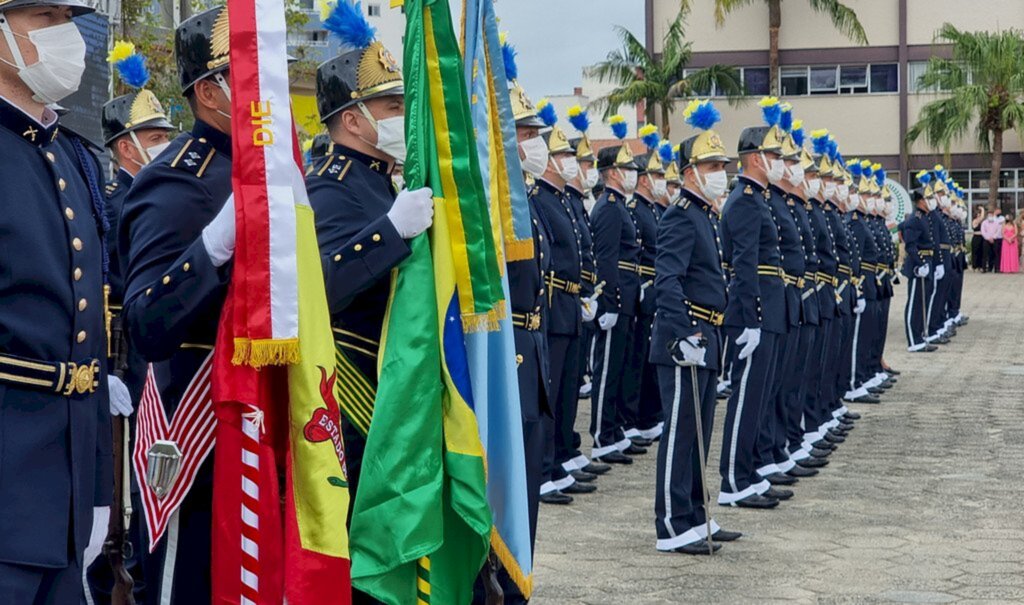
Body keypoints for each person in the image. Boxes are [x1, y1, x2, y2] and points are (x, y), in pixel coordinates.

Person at [120, 7, 240, 601]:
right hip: (198, 425)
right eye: (247, 75)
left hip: (261, 420)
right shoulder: (176, 179)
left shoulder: (272, 173)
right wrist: (210, 250)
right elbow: (145, 320)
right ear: (209, 91)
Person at [0, 0, 112, 600]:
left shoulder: (67, 154)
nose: (65, 34)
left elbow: (84, 342)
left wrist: (93, 492)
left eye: (66, 18)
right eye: (43, 17)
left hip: (63, 493)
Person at [86, 42, 175, 604]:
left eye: (168, 135)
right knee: (129, 489)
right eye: (157, 137)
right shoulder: (115, 198)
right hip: (122, 358)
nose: (166, 146)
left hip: (151, 355)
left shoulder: (159, 191)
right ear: (127, 146)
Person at [651, 99, 740, 555]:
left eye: (722, 164)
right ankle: (670, 523)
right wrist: (683, 333)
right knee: (681, 429)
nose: (719, 171)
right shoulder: (680, 217)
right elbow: (666, 281)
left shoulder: (705, 216)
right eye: (710, 164)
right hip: (683, 340)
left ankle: (693, 515)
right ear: (689, 173)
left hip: (707, 337)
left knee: (699, 430)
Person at [716, 97, 789, 509]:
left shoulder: (757, 198)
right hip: (754, 309)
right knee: (745, 398)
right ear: (755, 159)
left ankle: (749, 471)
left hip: (769, 305)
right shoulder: (744, 200)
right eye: (773, 154)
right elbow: (744, 265)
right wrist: (751, 319)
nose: (778, 161)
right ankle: (732, 480)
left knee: (759, 396)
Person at [530, 99, 595, 503]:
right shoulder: (540, 197)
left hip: (570, 306)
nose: (570, 161)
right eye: (565, 154)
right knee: (550, 395)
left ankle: (557, 461)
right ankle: (545, 468)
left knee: (568, 390)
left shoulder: (564, 201)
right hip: (552, 305)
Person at [589, 115, 646, 465]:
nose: (632, 174)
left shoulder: (619, 206)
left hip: (626, 296)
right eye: (626, 168)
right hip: (616, 297)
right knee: (607, 370)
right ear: (611, 172)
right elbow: (606, 260)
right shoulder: (609, 208)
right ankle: (601, 435)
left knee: (621, 367)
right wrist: (608, 300)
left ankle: (613, 431)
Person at [622, 124, 666, 447]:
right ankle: (633, 417)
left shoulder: (653, 210)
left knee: (646, 359)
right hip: (640, 289)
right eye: (657, 175)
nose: (662, 181)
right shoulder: (635, 209)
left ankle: (647, 416)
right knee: (633, 359)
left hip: (654, 291)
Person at [899, 187, 935, 352]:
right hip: (917, 266)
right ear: (921, 201)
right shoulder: (915, 219)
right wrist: (920, 264)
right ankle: (913, 341)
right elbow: (910, 246)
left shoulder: (925, 218)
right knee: (915, 303)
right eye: (929, 197)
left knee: (923, 303)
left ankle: (921, 336)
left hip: (927, 262)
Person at [971, 206, 986, 270]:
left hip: (981, 237)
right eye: (978, 214)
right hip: (976, 237)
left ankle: (980, 265)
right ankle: (975, 265)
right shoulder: (975, 221)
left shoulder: (981, 222)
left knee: (981, 252)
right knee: (975, 251)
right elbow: (982, 218)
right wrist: (982, 209)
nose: (979, 215)